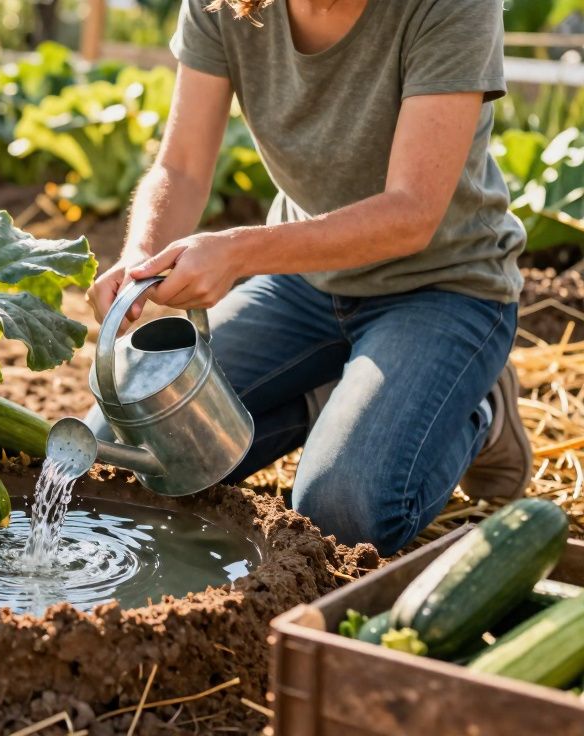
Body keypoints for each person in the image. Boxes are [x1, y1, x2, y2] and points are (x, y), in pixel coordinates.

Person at [85, 0, 531, 557]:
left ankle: (480, 412)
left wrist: (238, 252)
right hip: (302, 283)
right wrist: (140, 255)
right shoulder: (222, 5)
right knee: (121, 456)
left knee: (340, 511)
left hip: (443, 288)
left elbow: (412, 214)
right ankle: (327, 400)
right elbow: (182, 166)